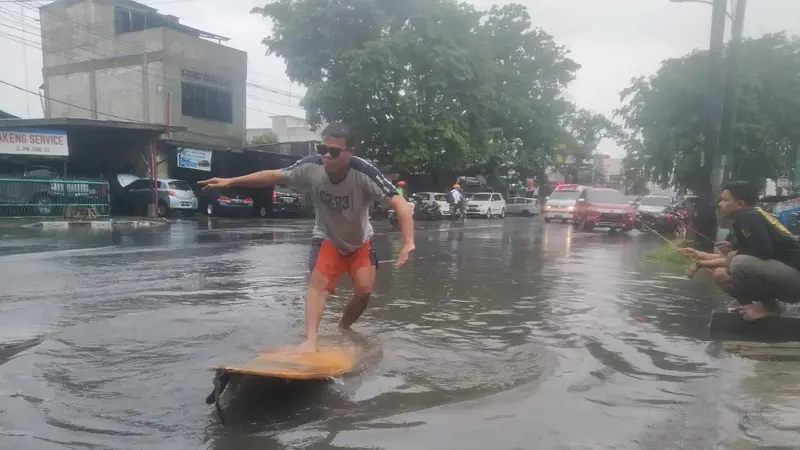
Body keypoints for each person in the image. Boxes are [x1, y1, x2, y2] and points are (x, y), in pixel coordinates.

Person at [199, 122, 415, 351]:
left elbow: (400, 203)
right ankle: (310, 341)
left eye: (334, 152)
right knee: (318, 282)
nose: (326, 156)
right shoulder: (311, 166)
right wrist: (231, 181)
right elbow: (273, 176)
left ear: (350, 152)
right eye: (323, 150)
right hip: (327, 237)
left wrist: (408, 241)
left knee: (365, 290)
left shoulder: (364, 173)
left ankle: (342, 328)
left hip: (360, 241)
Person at [679, 181, 800, 321]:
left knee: (738, 263)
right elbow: (740, 256)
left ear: (740, 204)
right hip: (781, 275)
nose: (719, 204)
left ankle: (769, 307)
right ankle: (747, 305)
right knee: (721, 274)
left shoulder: (748, 217)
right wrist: (701, 255)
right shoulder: (744, 218)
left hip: (794, 278)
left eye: (725, 200)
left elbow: (760, 253)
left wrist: (701, 263)